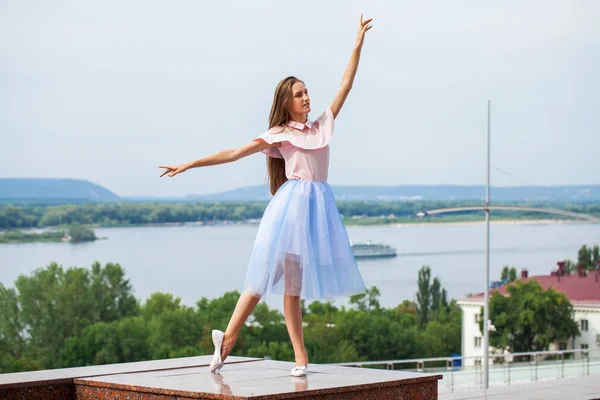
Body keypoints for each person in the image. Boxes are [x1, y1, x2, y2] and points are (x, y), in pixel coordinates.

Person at [159, 14, 373, 377]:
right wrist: (190, 163)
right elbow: (233, 153)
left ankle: (297, 358)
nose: (307, 97)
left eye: (307, 92)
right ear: (287, 102)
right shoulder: (279, 133)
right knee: (266, 277)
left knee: (293, 287)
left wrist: (357, 44)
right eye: (300, 94)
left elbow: (345, 85)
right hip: (291, 210)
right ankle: (228, 338)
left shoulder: (321, 125)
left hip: (315, 211)